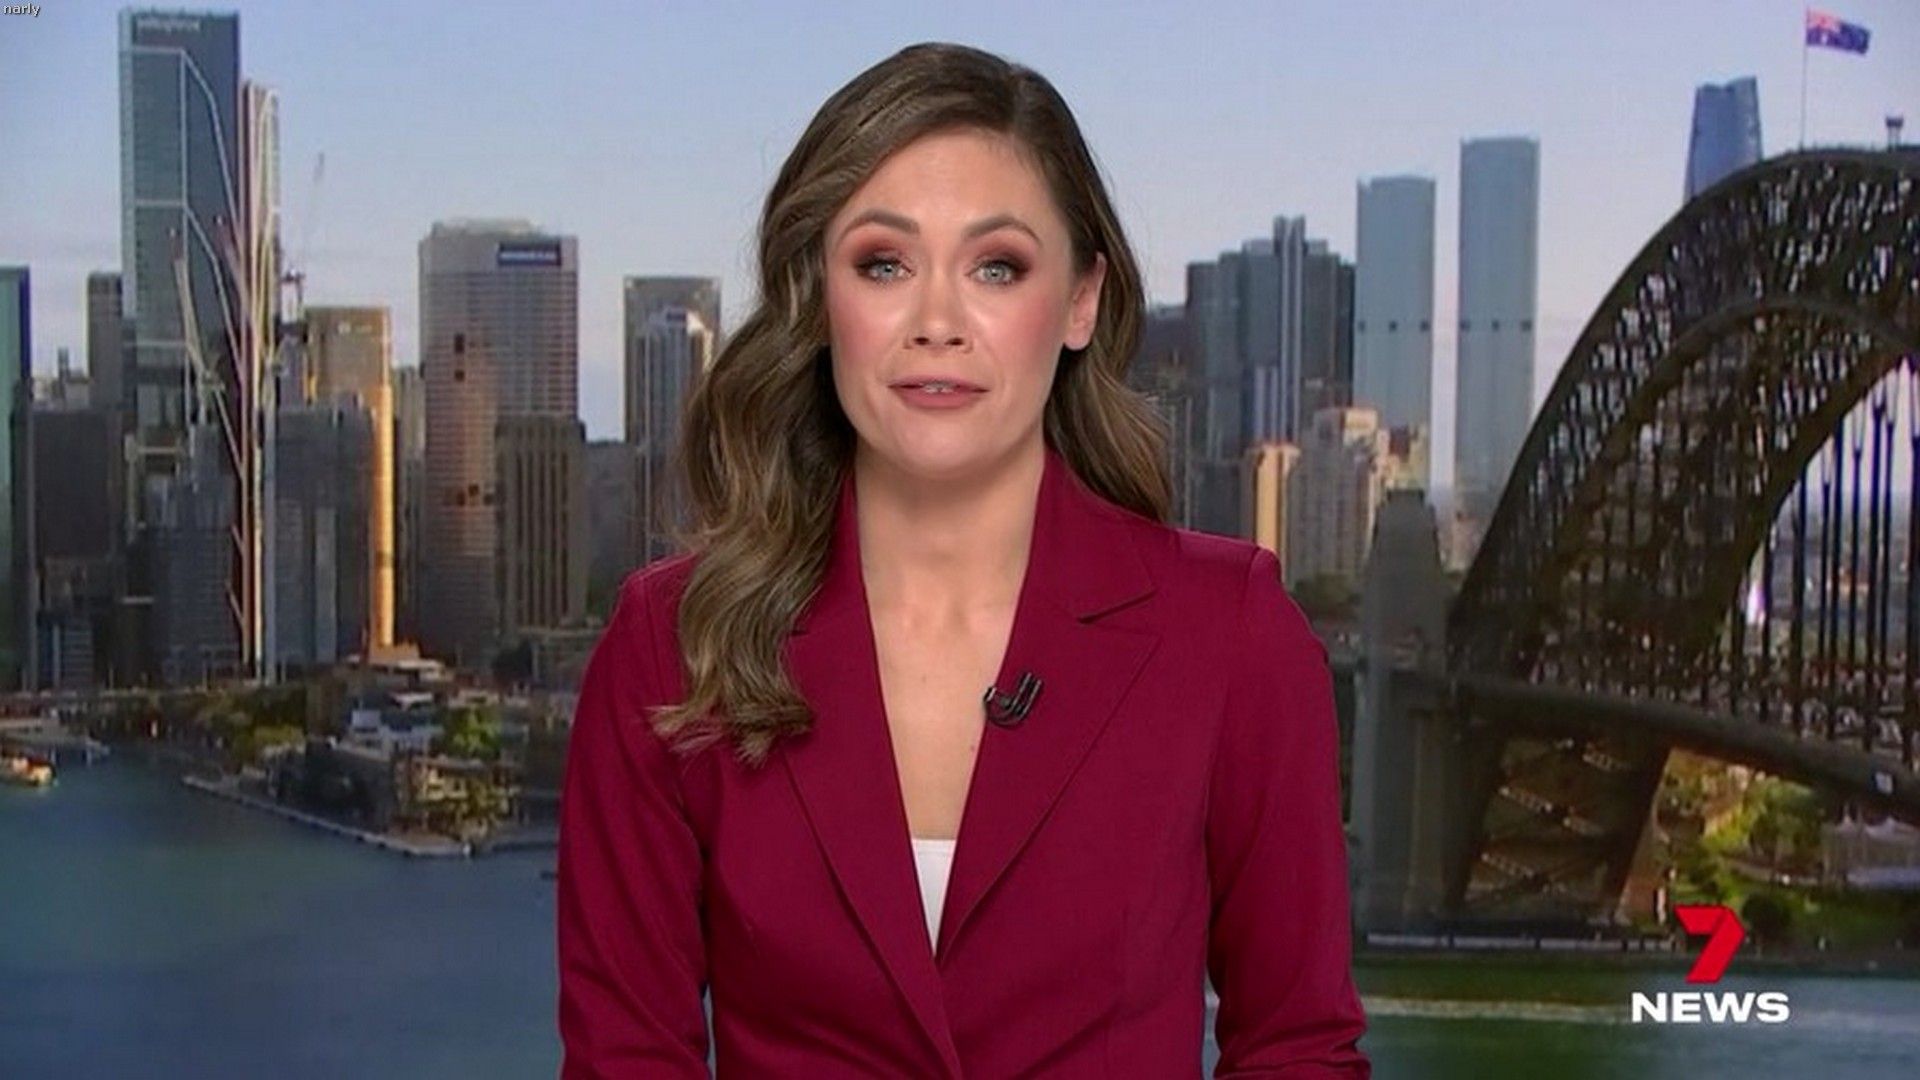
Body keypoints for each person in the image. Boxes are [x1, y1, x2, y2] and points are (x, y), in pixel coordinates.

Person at [556, 40, 1369, 1078]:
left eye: (997, 268)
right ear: (818, 298)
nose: (937, 323)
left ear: (1080, 300)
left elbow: (1298, 1045)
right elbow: (626, 1058)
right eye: (883, 265)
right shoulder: (671, 646)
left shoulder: (1230, 634)